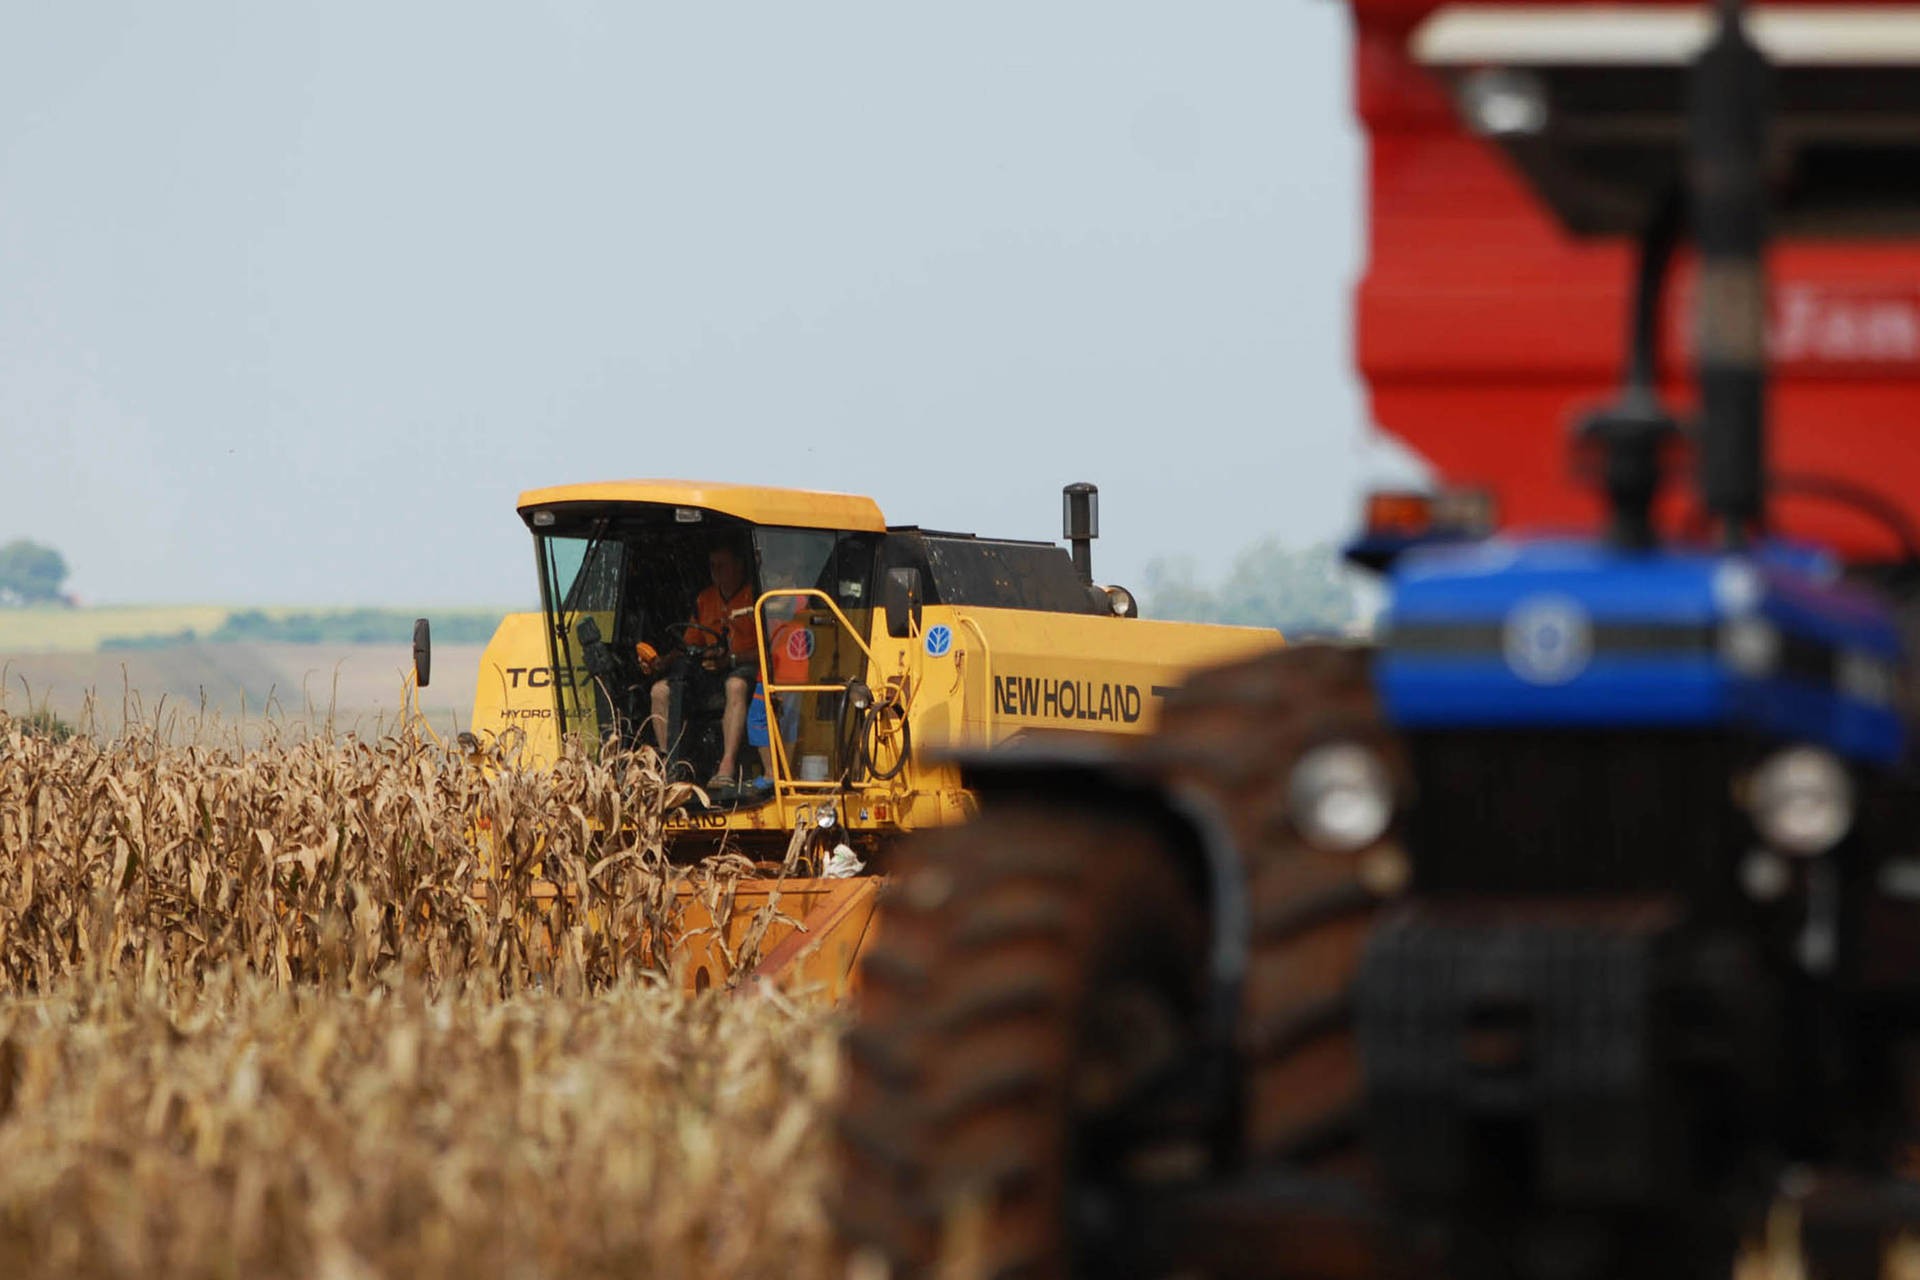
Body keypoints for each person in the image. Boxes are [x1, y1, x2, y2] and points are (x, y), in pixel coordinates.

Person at [646, 543, 758, 789]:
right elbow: (689, 643)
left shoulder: (756, 596)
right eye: (712, 566)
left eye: (721, 565)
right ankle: (670, 767)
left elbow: (767, 649)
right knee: (660, 691)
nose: (715, 571)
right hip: (710, 670)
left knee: (736, 684)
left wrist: (730, 659)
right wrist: (664, 661)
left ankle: (726, 766)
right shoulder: (705, 599)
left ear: (739, 566)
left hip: (746, 667)